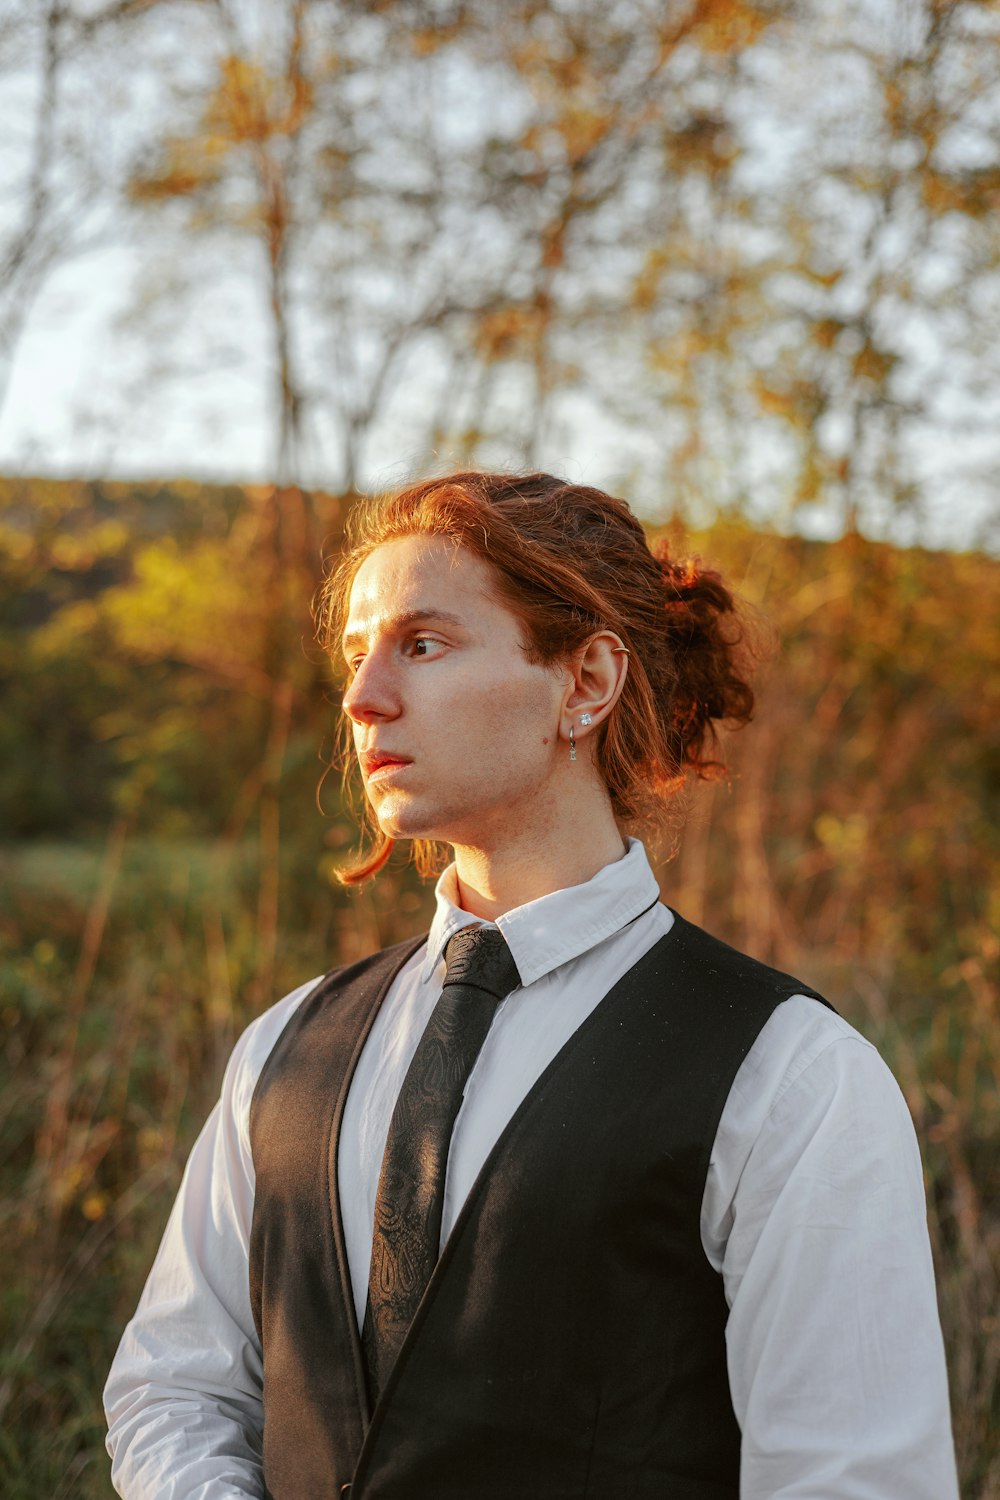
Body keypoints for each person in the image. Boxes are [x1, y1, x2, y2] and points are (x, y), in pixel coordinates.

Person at [104, 470, 958, 1499]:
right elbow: (176, 1388)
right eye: (355, 651)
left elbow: (850, 1481)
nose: (361, 696)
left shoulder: (792, 1075)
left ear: (585, 683)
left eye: (421, 644)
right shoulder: (284, 1046)